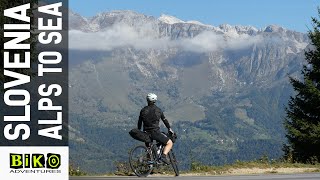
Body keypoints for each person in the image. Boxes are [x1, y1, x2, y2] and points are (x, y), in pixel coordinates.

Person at [138, 93, 174, 164]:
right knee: (169, 143)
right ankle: (163, 156)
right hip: (155, 132)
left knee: (149, 149)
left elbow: (139, 122)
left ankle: (149, 167)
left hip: (146, 133)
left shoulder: (143, 110)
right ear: (155, 100)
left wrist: (139, 130)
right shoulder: (158, 110)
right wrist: (169, 128)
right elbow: (165, 120)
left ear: (147, 100)